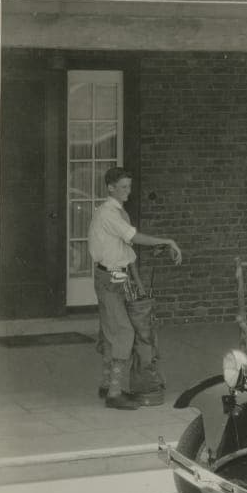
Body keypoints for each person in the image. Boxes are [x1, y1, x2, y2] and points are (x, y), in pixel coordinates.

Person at [88, 168, 183, 410]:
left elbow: (126, 250)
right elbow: (134, 238)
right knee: (124, 332)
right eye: (123, 187)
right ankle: (114, 394)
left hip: (117, 276)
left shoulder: (119, 212)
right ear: (110, 188)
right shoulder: (108, 213)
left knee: (110, 331)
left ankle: (107, 384)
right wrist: (167, 241)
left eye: (129, 187)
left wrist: (137, 282)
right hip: (109, 278)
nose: (128, 192)